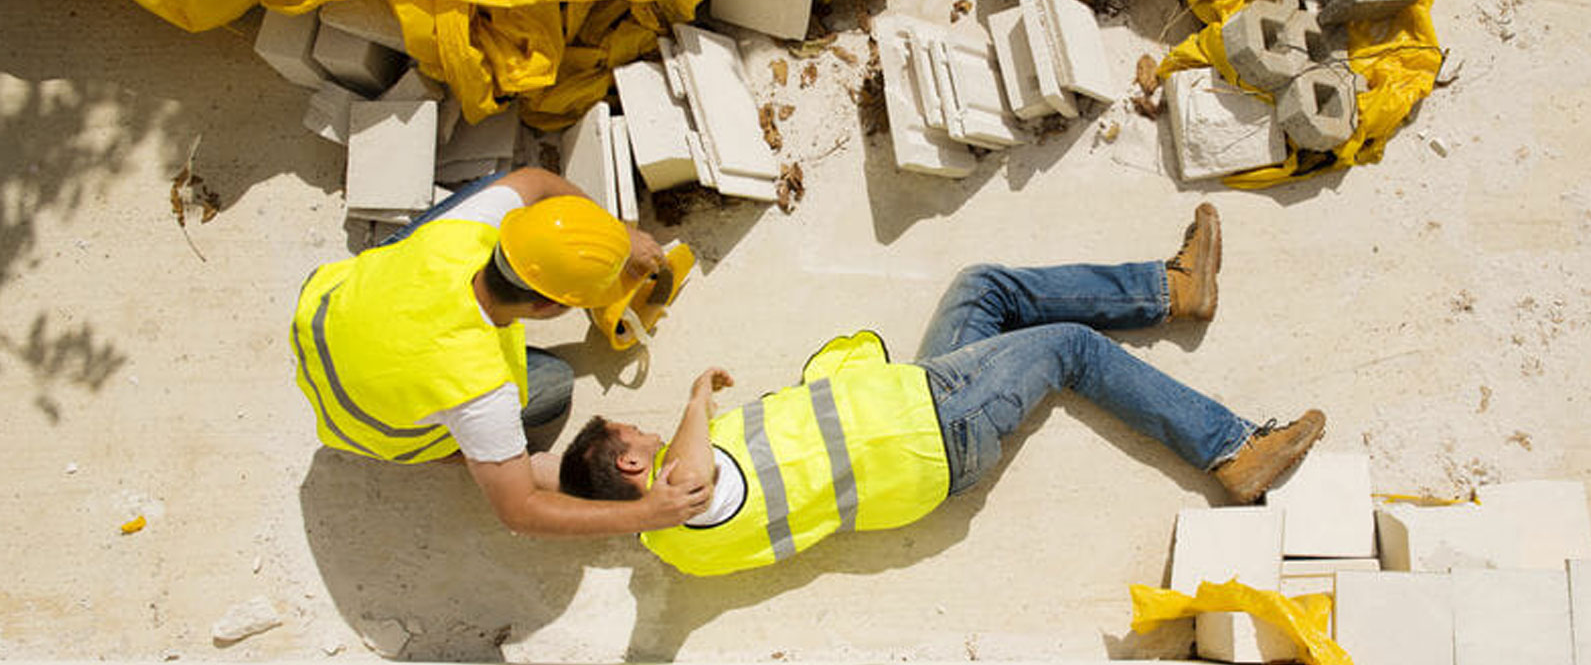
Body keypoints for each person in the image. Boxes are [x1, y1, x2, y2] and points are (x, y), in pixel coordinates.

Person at [558, 204, 1325, 575]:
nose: (653, 435)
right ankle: (1232, 449)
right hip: (934, 431)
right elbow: (693, 479)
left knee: (981, 288)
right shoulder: (685, 506)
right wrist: (697, 399)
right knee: (1069, 349)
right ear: (632, 469)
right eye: (638, 438)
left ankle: (1170, 290)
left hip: (912, 406)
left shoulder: (673, 547)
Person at [290, 166, 710, 537]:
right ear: (549, 306)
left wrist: (619, 237)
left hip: (327, 319)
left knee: (499, 187)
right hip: (365, 424)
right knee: (552, 384)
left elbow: (537, 180)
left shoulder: (463, 235)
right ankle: (458, 453)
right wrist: (646, 513)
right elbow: (519, 511)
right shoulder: (481, 386)